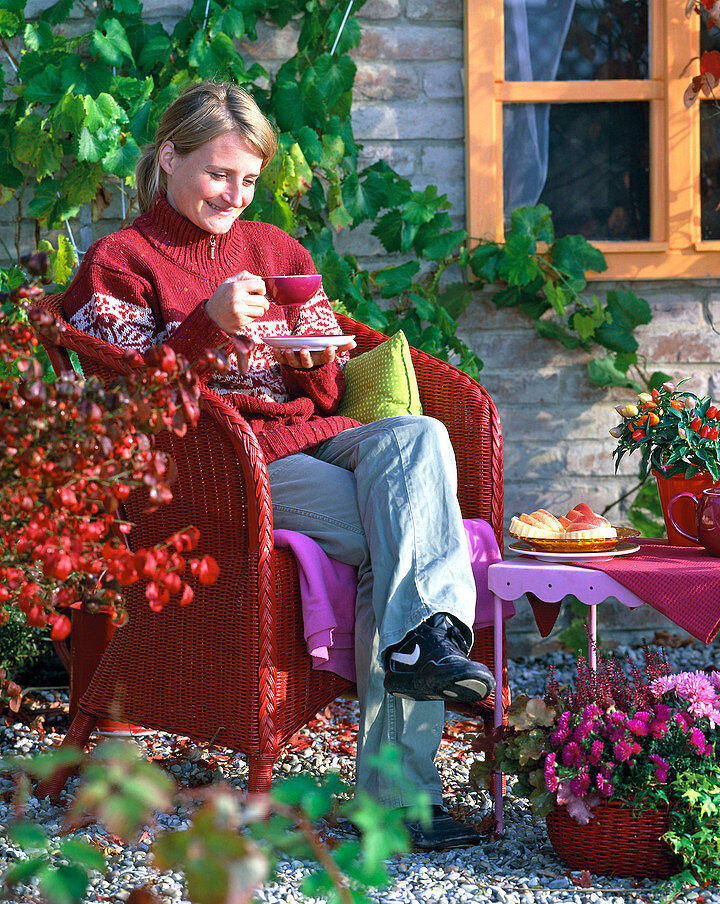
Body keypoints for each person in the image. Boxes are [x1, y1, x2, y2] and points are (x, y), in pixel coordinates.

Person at [58, 81, 494, 850]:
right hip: (221, 464)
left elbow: (324, 387)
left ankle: (425, 640)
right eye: (219, 173)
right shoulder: (120, 262)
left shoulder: (278, 252)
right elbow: (128, 405)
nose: (235, 193)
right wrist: (204, 328)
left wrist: (320, 360)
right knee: (395, 541)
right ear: (169, 157)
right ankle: (398, 799)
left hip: (310, 435)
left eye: (250, 179)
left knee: (420, 434)